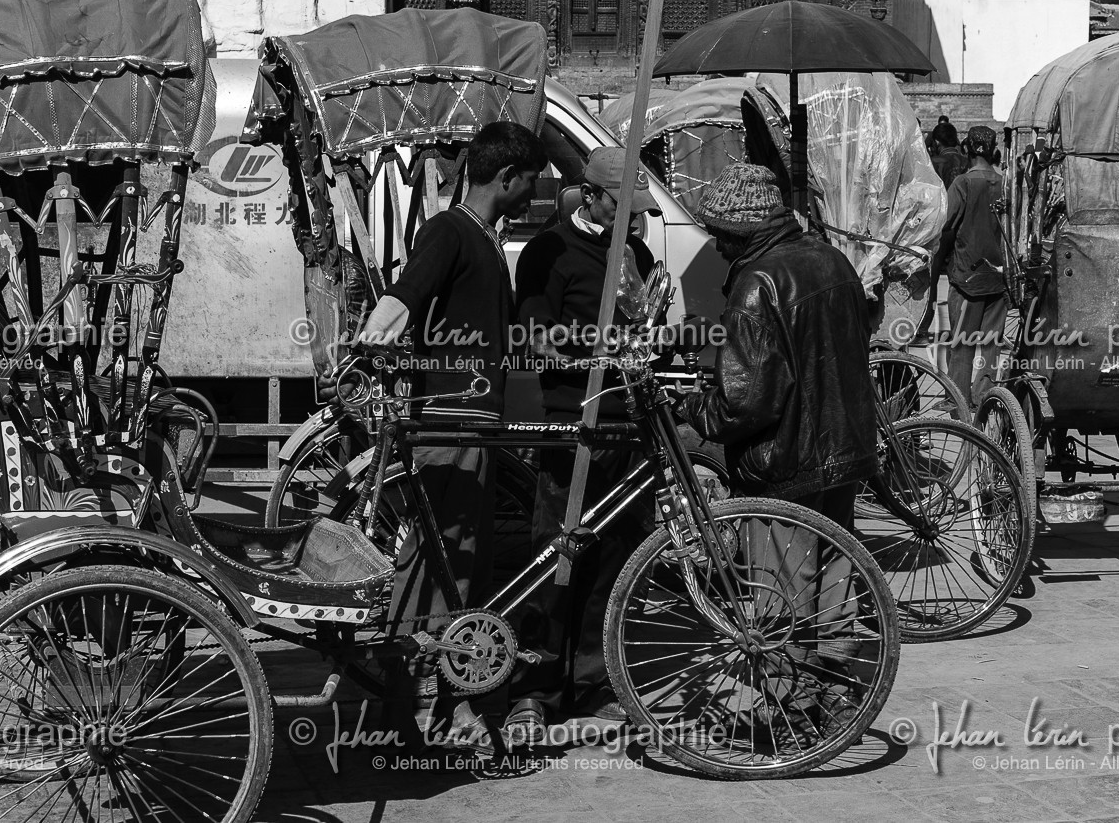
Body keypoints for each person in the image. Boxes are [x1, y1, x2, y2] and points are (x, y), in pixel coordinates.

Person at [345, 120, 545, 749]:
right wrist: (368, 346)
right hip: (449, 422)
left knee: (462, 563)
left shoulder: (482, 236)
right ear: (506, 178)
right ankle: (408, 700)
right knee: (438, 561)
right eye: (531, 181)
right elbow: (407, 294)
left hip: (476, 425)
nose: (533, 194)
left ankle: (438, 699)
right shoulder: (450, 230)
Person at [674, 163, 878, 732]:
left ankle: (791, 705)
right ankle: (835, 689)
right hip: (843, 448)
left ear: (740, 231)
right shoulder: (830, 259)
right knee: (833, 572)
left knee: (781, 590)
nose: (715, 245)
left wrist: (693, 409)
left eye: (719, 234)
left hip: (784, 460)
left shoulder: (756, 284)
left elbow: (745, 403)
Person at [504, 148, 657, 742]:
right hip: (573, 424)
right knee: (555, 558)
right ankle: (534, 689)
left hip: (627, 423)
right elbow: (534, 333)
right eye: (622, 205)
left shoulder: (636, 254)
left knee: (613, 560)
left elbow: (643, 327)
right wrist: (591, 344)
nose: (632, 218)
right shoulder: (550, 251)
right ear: (589, 196)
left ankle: (595, 683)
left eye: (638, 208)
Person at [933, 125, 1008, 410]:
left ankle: (958, 400)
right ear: (993, 149)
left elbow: (945, 225)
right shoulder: (1005, 184)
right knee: (990, 345)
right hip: (999, 278)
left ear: (967, 148)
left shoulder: (963, 183)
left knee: (962, 344)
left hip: (967, 277)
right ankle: (985, 398)